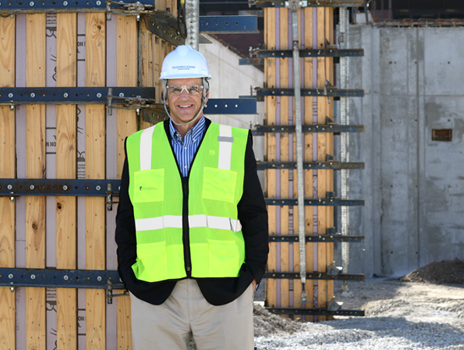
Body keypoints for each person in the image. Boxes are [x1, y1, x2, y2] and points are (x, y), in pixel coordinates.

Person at [115, 45, 269, 350]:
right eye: (176, 89)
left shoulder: (234, 144)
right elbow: (127, 219)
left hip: (224, 293)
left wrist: (253, 274)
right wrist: (129, 273)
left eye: (193, 88)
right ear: (164, 94)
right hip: (155, 295)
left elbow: (253, 213)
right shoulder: (139, 146)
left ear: (206, 93)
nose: (184, 96)